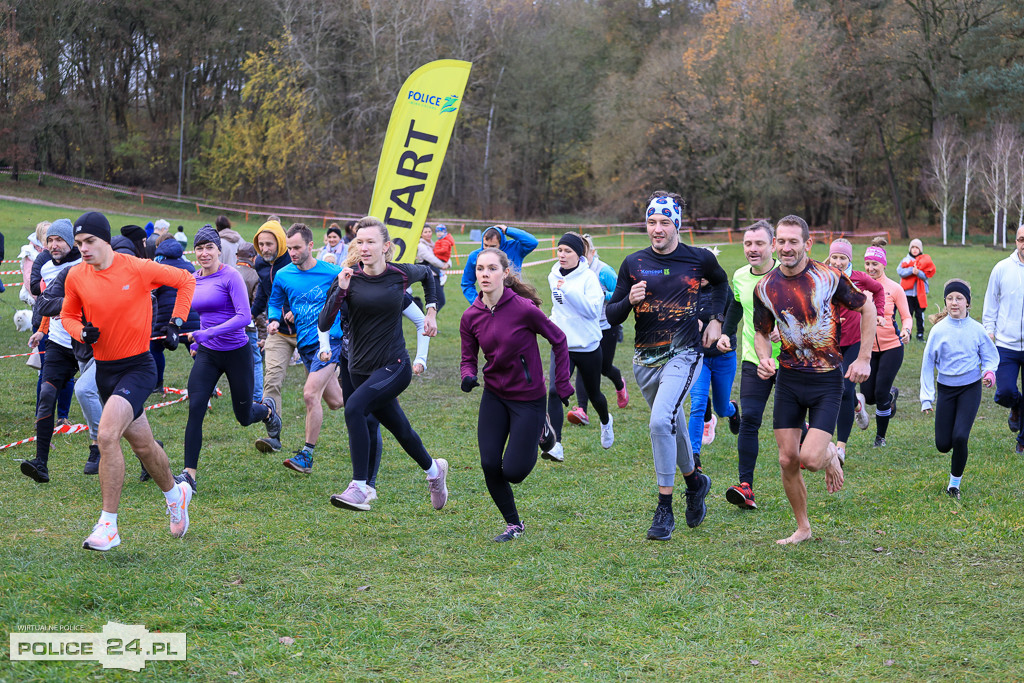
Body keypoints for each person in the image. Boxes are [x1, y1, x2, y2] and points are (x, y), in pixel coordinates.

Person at [60, 211, 196, 551]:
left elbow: (185, 280)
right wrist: (82, 332)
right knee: (144, 446)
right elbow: (67, 316)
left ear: (105, 239)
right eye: (79, 243)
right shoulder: (76, 276)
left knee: (106, 435)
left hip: (138, 367)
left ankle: (109, 525)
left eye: (89, 241)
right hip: (104, 370)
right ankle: (176, 494)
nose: (84, 248)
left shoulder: (136, 267)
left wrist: (176, 321)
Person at [606, 191, 727, 541]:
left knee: (660, 421)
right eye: (651, 222)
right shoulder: (633, 263)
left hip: (684, 353)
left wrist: (716, 319)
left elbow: (721, 285)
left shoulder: (698, 259)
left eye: (664, 222)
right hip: (645, 360)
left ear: (676, 224)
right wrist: (628, 300)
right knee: (672, 422)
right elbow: (611, 314)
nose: (657, 229)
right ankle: (695, 482)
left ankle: (664, 508)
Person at [752, 215, 876, 545]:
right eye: (781, 241)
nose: (786, 247)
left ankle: (831, 454)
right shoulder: (765, 287)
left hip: (826, 381)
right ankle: (803, 528)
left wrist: (863, 357)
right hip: (790, 380)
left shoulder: (829, 277)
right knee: (787, 459)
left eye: (794, 241)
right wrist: (764, 356)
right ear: (774, 244)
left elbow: (868, 308)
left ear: (807, 244)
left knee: (809, 459)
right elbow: (761, 333)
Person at [322, 217, 449, 512]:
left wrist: (430, 311)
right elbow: (324, 322)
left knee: (354, 408)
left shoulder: (400, 274)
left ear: (385, 246)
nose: (364, 248)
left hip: (394, 365)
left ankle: (361, 487)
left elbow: (429, 274)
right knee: (398, 427)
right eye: (359, 242)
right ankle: (434, 471)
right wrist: (340, 290)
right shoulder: (347, 277)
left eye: (371, 242)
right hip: (356, 368)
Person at [461, 247, 573, 541]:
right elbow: (468, 357)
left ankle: (543, 430)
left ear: (505, 273)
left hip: (528, 398)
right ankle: (514, 524)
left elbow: (559, 340)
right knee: (488, 464)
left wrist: (562, 384)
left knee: (513, 472)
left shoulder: (523, 308)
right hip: (495, 395)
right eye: (480, 269)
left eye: (492, 269)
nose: (485, 274)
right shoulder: (471, 316)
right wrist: (468, 375)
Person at [180, 226, 282, 489]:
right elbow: (197, 313)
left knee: (244, 416)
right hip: (208, 354)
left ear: (218, 250)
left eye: (209, 247)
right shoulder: (193, 278)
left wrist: (208, 333)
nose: (204, 253)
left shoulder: (231, 276)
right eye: (199, 248)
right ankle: (189, 475)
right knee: (195, 408)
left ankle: (268, 411)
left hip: (238, 352)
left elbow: (244, 317)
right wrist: (197, 340)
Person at [19, 218, 100, 483]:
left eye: (59, 240)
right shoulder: (44, 267)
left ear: (71, 243)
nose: (54, 245)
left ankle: (105, 448)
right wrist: (43, 329)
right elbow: (44, 303)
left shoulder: (83, 265)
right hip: (58, 342)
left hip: (88, 344)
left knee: (111, 403)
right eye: (50, 240)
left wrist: (68, 307)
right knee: (46, 393)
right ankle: (40, 463)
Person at [267, 224, 344, 473]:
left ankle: (307, 455)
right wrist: (274, 319)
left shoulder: (332, 272)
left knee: (311, 394)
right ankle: (374, 398)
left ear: (311, 246)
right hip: (307, 345)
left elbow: (352, 296)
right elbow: (275, 302)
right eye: (289, 248)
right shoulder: (283, 275)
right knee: (336, 401)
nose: (293, 252)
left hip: (330, 342)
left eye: (297, 247)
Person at [717, 221, 780, 510]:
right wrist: (726, 335)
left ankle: (813, 438)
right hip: (754, 358)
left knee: (787, 423)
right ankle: (746, 486)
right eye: (747, 244)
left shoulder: (788, 274)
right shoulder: (741, 276)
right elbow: (737, 305)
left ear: (774, 245)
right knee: (751, 419)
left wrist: (788, 330)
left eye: (759, 244)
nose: (752, 249)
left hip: (792, 360)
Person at [921, 280, 998, 500]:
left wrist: (989, 373)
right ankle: (951, 458)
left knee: (960, 437)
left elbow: (991, 357)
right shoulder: (938, 331)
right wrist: (927, 398)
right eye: (950, 298)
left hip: (970, 388)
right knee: (943, 444)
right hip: (946, 389)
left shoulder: (977, 329)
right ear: (945, 302)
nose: (954, 302)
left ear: (967, 302)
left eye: (959, 298)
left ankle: (954, 485)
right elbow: (927, 365)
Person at [543, 232, 613, 461]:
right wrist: (549, 325)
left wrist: (569, 291)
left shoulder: (589, 279)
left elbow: (592, 311)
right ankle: (556, 445)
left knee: (594, 395)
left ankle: (605, 421)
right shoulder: (553, 275)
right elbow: (559, 309)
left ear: (579, 254)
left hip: (588, 346)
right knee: (553, 391)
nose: (562, 255)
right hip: (562, 345)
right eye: (559, 250)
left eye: (567, 251)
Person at [826, 238, 885, 464]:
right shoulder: (823, 275)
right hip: (830, 341)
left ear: (850, 259)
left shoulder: (859, 278)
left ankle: (841, 447)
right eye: (835, 257)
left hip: (854, 341)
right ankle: (858, 405)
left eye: (843, 258)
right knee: (837, 389)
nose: (838, 262)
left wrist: (879, 312)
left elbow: (879, 290)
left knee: (844, 388)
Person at [250, 218, 301, 452]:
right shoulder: (260, 263)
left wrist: (296, 310)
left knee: (329, 392)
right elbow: (263, 290)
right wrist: (249, 315)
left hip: (305, 329)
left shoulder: (293, 260)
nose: (265, 249)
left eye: (269, 244)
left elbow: (310, 289)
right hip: (277, 331)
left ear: (280, 242)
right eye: (261, 244)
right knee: (271, 380)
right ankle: (274, 437)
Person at [568, 234, 628, 425]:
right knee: (583, 365)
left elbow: (622, 294)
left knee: (604, 368)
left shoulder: (604, 272)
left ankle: (619, 382)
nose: (582, 261)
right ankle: (581, 410)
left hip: (606, 325)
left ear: (592, 253)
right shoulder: (573, 270)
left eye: (585, 256)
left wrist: (603, 294)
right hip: (584, 325)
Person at [860, 238, 911, 448]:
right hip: (866, 350)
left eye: (875, 264)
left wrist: (907, 331)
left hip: (892, 347)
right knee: (868, 397)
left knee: (880, 393)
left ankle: (880, 438)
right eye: (868, 264)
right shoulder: (859, 287)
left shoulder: (895, 288)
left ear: (884, 265)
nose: (871, 268)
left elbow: (907, 316)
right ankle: (891, 395)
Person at [686, 276, 740, 471]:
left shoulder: (722, 290)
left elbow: (733, 317)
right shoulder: (688, 291)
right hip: (697, 357)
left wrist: (719, 330)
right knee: (698, 403)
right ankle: (694, 456)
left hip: (723, 356)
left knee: (721, 408)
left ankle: (732, 410)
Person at [983, 224, 1024, 454]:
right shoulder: (1001, 268)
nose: (1023, 243)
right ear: (1016, 241)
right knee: (1004, 392)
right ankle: (1016, 405)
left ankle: (1023, 441)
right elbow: (991, 303)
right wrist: (989, 331)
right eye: (1021, 239)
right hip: (1006, 344)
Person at [150, 234, 196, 393]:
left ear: (159, 247)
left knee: (155, 347)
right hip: (191, 315)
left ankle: (157, 383)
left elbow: (152, 292)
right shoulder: (189, 264)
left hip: (166, 317)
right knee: (196, 349)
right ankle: (209, 383)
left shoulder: (158, 265)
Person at [461, 224, 539, 303]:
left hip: (516, 299)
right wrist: (478, 303)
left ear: (501, 243)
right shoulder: (475, 256)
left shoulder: (515, 249)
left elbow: (532, 242)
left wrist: (508, 230)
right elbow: (467, 283)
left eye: (493, 246)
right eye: (485, 245)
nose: (488, 249)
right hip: (491, 302)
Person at [235, 243, 265, 403]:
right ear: (253, 258)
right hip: (248, 326)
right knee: (256, 360)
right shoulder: (255, 276)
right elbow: (258, 308)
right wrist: (263, 334)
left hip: (227, 326)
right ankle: (256, 397)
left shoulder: (228, 273)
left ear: (236, 257)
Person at [897, 238, 936, 341]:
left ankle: (920, 334)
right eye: (913, 247)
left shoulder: (924, 261)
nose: (914, 250)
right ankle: (907, 334)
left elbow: (926, 275)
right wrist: (911, 270)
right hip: (907, 294)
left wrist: (918, 272)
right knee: (907, 314)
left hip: (920, 293)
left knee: (919, 314)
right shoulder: (905, 260)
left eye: (917, 248)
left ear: (920, 249)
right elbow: (900, 271)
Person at [416, 224, 450, 312]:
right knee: (440, 300)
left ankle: (428, 322)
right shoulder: (421, 246)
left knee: (436, 301)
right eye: (425, 232)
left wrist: (449, 264)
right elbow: (433, 259)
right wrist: (443, 265)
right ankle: (427, 320)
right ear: (421, 234)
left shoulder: (434, 244)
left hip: (438, 275)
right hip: (430, 276)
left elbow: (445, 255)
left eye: (429, 231)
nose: (428, 234)